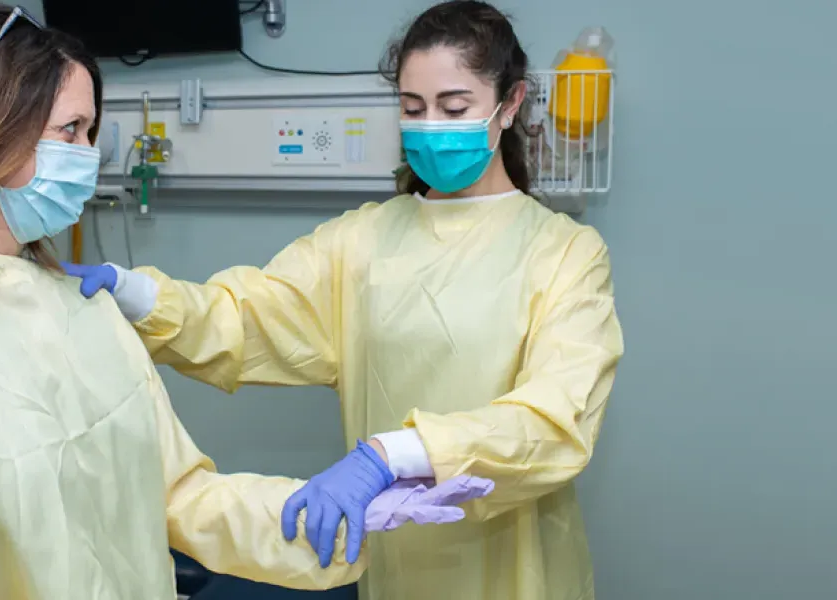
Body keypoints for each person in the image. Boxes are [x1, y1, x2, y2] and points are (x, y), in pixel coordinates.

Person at [0, 4, 490, 600]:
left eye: (91, 132)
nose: (88, 155)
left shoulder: (82, 309)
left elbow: (181, 499)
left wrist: (327, 511)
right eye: (71, 131)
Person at [62, 1, 626, 598]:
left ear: (509, 105)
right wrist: (138, 295)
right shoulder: (361, 241)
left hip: (520, 564)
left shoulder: (566, 253)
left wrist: (391, 454)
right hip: (395, 556)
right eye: (413, 109)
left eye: (454, 107)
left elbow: (555, 421)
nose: (431, 125)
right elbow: (246, 317)